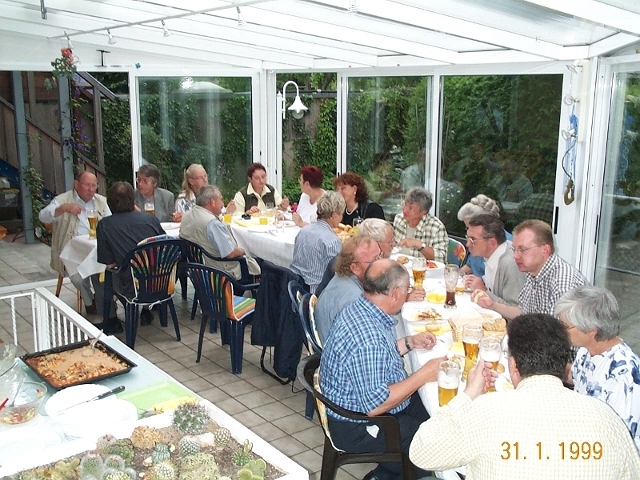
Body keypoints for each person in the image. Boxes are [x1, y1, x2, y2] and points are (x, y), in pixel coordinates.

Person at [409, 313, 640, 479]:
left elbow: (421, 452)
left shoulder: (486, 411)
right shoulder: (607, 419)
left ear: (513, 365)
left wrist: (468, 395)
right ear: (563, 363)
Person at [320, 259, 444, 480]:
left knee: (437, 414)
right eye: (406, 289)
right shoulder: (368, 338)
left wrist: (410, 343)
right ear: (395, 293)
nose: (407, 294)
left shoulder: (363, 309)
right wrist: (423, 375)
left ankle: (384, 474)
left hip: (364, 402)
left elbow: (377, 358)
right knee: (431, 439)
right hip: (357, 426)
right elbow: (375, 405)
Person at [554, 286, 640, 450]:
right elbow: (575, 375)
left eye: (565, 326)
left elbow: (619, 443)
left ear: (592, 330)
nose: (560, 331)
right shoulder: (587, 350)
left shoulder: (624, 376)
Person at [475, 219, 588, 320]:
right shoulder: (533, 272)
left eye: (522, 250)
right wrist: (492, 305)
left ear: (545, 250)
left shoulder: (562, 285)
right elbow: (523, 312)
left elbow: (560, 334)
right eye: (514, 250)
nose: (515, 256)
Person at [39, 171, 111, 317]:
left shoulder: (100, 201)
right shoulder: (63, 200)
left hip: (96, 249)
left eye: (94, 186)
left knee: (106, 272)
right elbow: (43, 217)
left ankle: (105, 300)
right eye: (87, 185)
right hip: (73, 251)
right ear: (76, 185)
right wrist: (63, 208)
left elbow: (111, 222)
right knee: (78, 278)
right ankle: (89, 302)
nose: (91, 189)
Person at [96, 181, 165, 333]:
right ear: (133, 200)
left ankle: (112, 321)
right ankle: (146, 310)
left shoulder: (105, 225)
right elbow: (164, 246)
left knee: (98, 277)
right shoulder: (150, 219)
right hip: (159, 281)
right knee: (143, 266)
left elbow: (109, 263)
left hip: (130, 284)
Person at [180, 185, 260, 280]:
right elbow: (230, 253)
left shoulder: (188, 215)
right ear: (212, 202)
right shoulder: (212, 223)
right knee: (266, 265)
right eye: (221, 199)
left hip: (199, 272)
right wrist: (243, 250)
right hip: (221, 274)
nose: (223, 204)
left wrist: (227, 214)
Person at [463, 214, 525, 306]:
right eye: (467, 238)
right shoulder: (492, 254)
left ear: (491, 242)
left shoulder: (510, 264)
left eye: (473, 239)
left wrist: (483, 290)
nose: (468, 244)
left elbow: (516, 309)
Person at [290, 191, 344, 293]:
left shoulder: (303, 231)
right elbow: (337, 276)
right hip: (316, 293)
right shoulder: (332, 241)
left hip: (294, 288)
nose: (342, 218)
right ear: (334, 215)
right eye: (341, 214)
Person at [457, 194, 512, 277]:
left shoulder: (507, 248)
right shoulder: (475, 241)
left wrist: (482, 284)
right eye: (467, 228)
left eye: (469, 227)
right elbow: (470, 266)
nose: (468, 244)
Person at [393, 187, 448, 262]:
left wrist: (418, 244)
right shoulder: (399, 218)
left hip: (422, 268)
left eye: (411, 209)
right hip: (398, 265)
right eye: (405, 205)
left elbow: (441, 258)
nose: (405, 210)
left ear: (423, 212)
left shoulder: (436, 227)